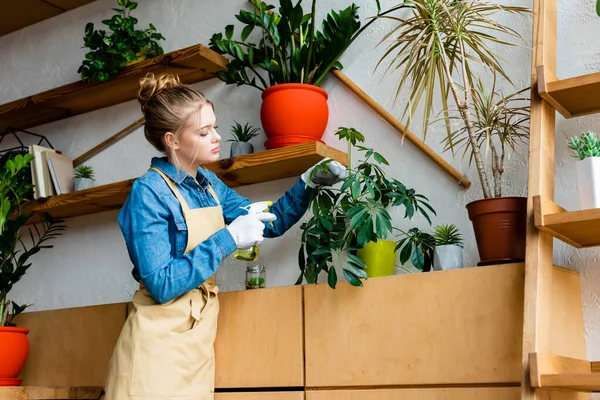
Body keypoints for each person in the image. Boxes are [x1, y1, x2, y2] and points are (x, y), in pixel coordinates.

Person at [104, 72, 348, 400]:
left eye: (214, 127)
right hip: (155, 350)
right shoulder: (148, 193)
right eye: (204, 132)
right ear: (171, 140)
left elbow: (268, 223)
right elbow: (162, 285)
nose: (216, 137)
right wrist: (227, 239)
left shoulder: (209, 184)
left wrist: (308, 183)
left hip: (197, 345)